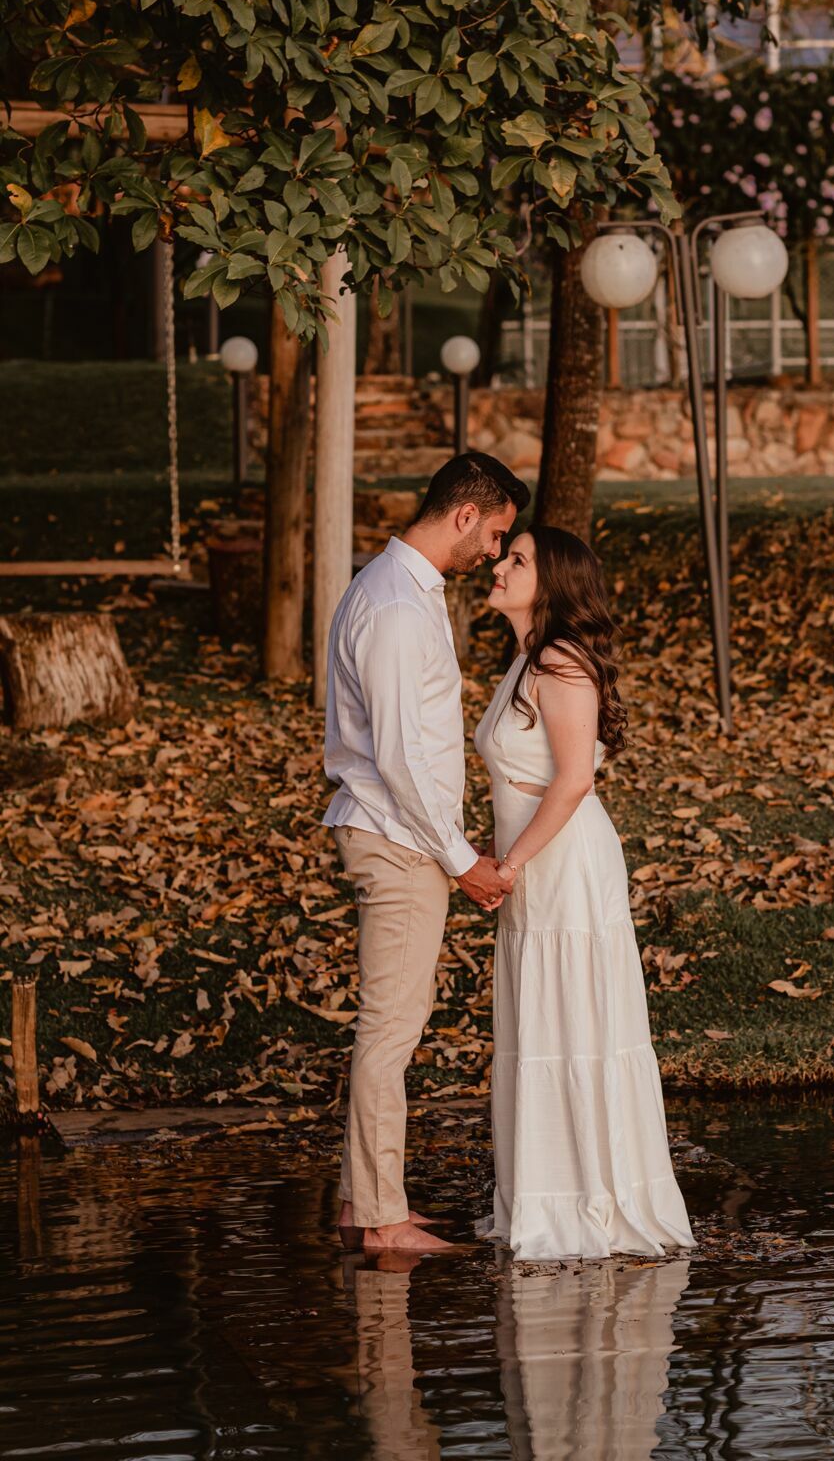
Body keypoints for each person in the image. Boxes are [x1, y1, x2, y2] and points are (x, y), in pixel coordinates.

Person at [323, 451, 530, 1255]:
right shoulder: (399, 609)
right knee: (390, 1033)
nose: (495, 553)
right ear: (467, 514)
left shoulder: (398, 590)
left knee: (387, 1028)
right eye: (498, 533)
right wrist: (459, 857)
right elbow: (404, 756)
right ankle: (380, 1220)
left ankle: (359, 1203)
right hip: (400, 840)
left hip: (398, 832)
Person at [474, 525, 695, 1260]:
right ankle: (543, 1191)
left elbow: (574, 780)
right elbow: (523, 775)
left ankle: (592, 1198)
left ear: (555, 582)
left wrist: (511, 865)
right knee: (541, 1025)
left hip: (563, 863)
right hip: (532, 861)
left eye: (518, 560)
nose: (500, 566)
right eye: (504, 556)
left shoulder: (562, 663)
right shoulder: (524, 661)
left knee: (574, 1024)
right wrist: (498, 853)